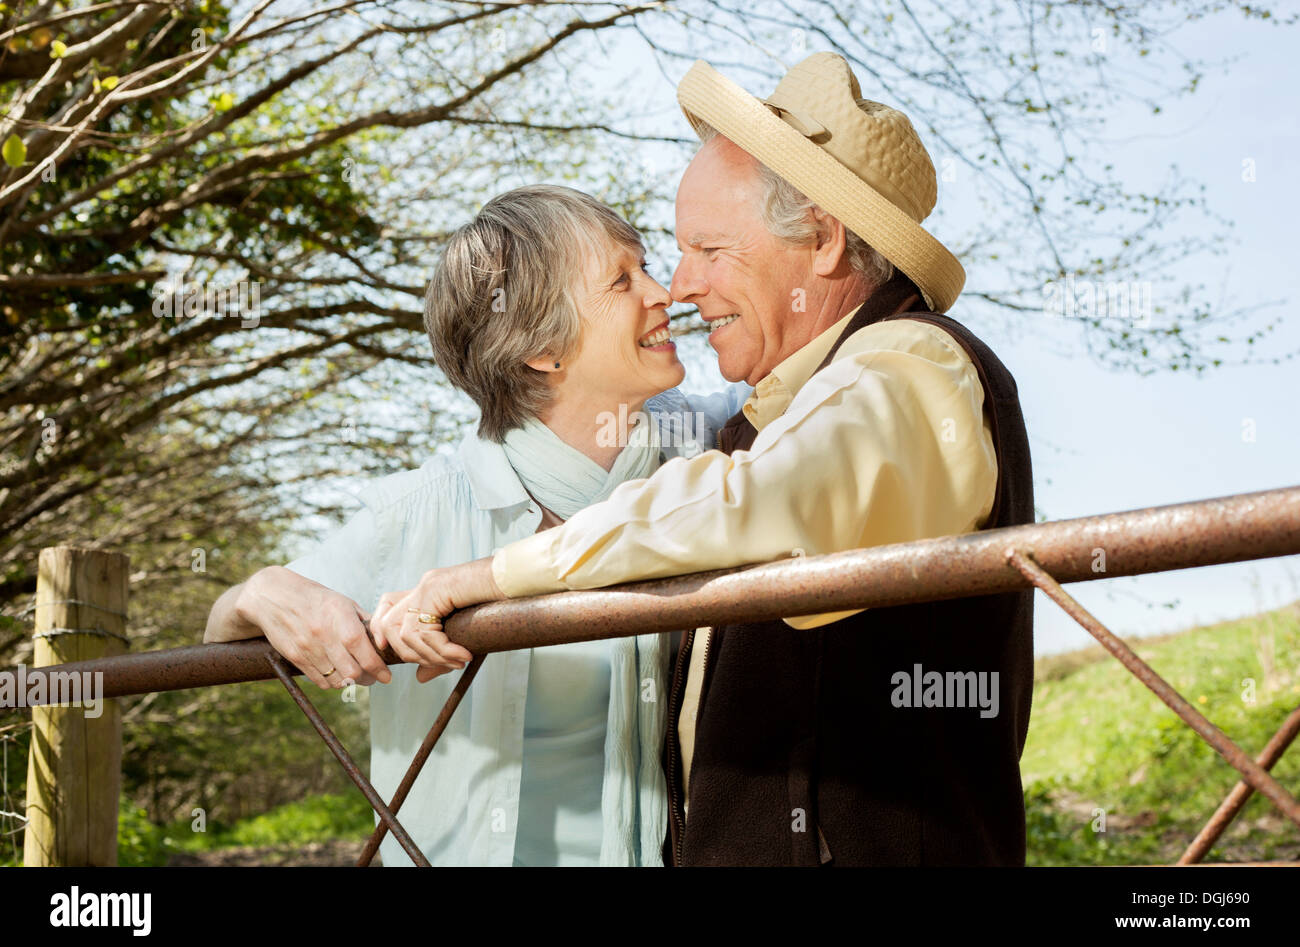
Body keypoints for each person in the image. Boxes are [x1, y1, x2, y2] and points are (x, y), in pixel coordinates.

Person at [392, 53, 1036, 866]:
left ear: (825, 241)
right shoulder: (771, 413)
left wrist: (490, 576)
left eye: (709, 249)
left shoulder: (910, 365)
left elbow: (764, 503)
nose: (681, 284)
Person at [202, 184, 746, 866]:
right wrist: (260, 592)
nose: (665, 290)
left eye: (645, 267)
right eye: (622, 279)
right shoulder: (414, 515)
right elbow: (220, 636)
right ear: (544, 349)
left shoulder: (720, 438)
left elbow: (844, 367)